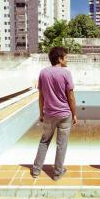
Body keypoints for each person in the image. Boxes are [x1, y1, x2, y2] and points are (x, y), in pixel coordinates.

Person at [31, 47, 78, 181]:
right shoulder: (66, 73)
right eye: (66, 57)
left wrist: (41, 113)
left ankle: (36, 170)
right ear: (59, 59)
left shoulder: (43, 73)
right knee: (61, 144)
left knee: (44, 141)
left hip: (49, 114)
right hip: (64, 115)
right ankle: (57, 173)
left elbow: (41, 96)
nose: (67, 59)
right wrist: (74, 114)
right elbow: (71, 97)